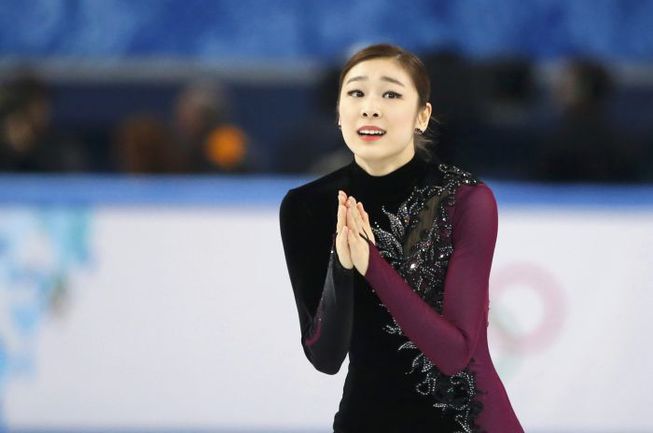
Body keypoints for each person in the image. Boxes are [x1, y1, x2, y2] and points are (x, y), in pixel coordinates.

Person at [279, 44, 524, 433]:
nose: (370, 108)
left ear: (422, 116)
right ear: (339, 112)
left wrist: (371, 263)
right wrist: (341, 265)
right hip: (367, 419)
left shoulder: (464, 200)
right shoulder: (308, 206)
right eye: (356, 92)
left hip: (465, 423)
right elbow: (325, 357)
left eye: (391, 94)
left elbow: (455, 354)